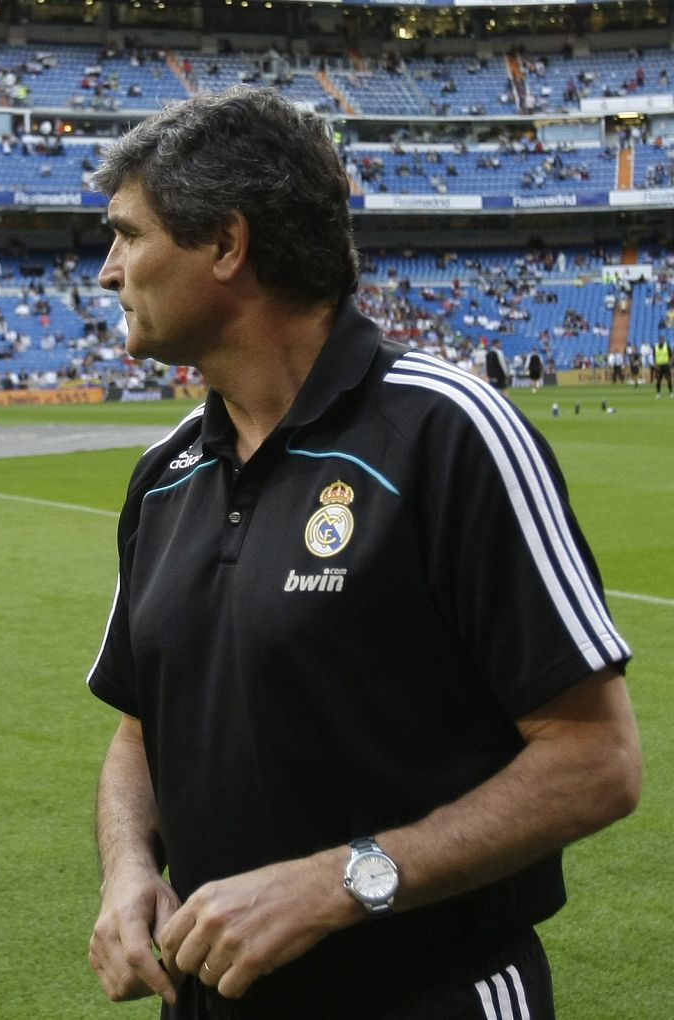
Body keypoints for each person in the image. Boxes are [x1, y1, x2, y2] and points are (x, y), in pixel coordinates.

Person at [85, 87, 640, 1020]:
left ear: (227, 244)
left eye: (129, 236)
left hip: (428, 994)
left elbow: (596, 760)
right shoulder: (166, 474)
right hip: (213, 999)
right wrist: (129, 869)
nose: (108, 271)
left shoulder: (446, 435)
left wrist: (342, 882)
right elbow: (140, 730)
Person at [653, 333, 672, 397]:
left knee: (669, 379)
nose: (662, 340)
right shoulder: (655, 347)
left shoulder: (667, 346)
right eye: (661, 339)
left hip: (666, 365)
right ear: (659, 340)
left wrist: (670, 363)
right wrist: (655, 364)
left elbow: (671, 356)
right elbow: (654, 357)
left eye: (663, 339)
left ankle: (671, 393)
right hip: (659, 366)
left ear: (664, 340)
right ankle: (658, 393)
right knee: (658, 380)